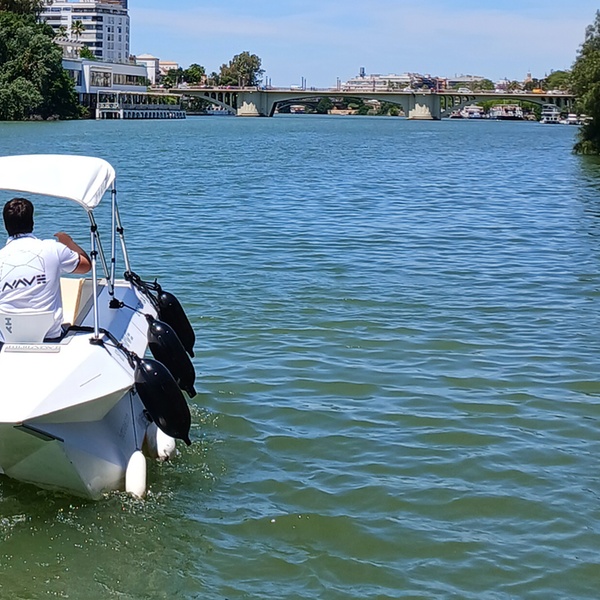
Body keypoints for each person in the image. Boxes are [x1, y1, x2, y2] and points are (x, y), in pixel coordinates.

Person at [0, 197, 91, 341]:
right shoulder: (53, 248)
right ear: (32, 222)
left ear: (5, 225)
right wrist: (68, 243)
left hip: (6, 339)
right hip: (50, 336)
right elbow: (86, 266)